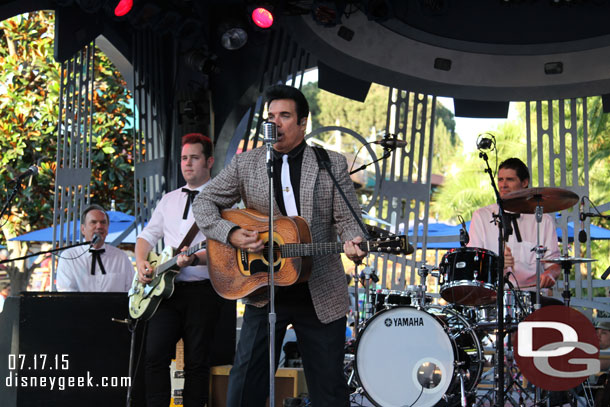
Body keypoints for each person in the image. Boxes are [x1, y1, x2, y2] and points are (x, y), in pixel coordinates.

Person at [192, 84, 366, 407]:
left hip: (320, 290)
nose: (276, 122)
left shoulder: (331, 163)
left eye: (285, 116)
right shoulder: (248, 164)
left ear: (303, 123)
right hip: (263, 288)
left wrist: (353, 242)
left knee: (329, 391)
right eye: (270, 116)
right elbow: (204, 203)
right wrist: (230, 233)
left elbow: (348, 220)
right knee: (243, 388)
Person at [135, 133, 228, 407]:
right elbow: (146, 237)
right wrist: (141, 261)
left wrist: (196, 260)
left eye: (195, 158)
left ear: (209, 161)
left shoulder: (223, 202)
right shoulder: (168, 199)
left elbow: (225, 249)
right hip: (165, 293)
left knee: (197, 362)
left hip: (203, 291)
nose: (187, 164)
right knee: (154, 356)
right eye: (184, 158)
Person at [468, 157, 561, 291]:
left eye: (510, 179)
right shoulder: (481, 216)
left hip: (532, 297)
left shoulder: (543, 220)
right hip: (493, 297)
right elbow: (473, 263)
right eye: (500, 180)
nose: (503, 185)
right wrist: (495, 265)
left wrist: (550, 274)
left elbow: (554, 263)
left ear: (524, 182)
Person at [56, 204, 134, 292]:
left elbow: (132, 290)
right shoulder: (69, 256)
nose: (99, 226)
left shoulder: (121, 257)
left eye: (103, 222)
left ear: (107, 228)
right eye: (93, 222)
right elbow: (66, 292)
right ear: (83, 229)